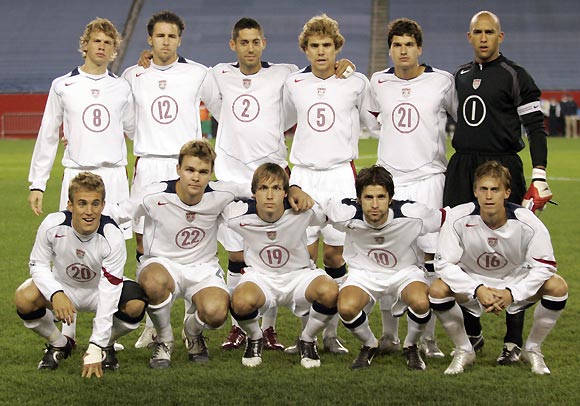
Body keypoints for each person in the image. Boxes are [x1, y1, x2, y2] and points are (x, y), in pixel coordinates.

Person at [199, 17, 356, 352]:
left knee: (278, 253)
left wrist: (344, 65)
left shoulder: (284, 74)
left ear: (264, 43)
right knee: (238, 255)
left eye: (256, 41)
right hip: (231, 176)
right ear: (233, 45)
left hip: (272, 177)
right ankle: (240, 328)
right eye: (244, 42)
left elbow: (300, 101)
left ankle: (269, 330)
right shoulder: (218, 74)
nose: (250, 48)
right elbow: (217, 108)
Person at [109, 140, 312, 368]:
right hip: (163, 264)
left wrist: (293, 188)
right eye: (190, 170)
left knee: (216, 314)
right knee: (153, 282)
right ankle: (164, 339)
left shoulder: (222, 193)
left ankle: (192, 332)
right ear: (178, 169)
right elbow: (116, 213)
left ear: (211, 173)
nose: (196, 177)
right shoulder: (153, 194)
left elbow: (262, 187)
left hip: (203, 268)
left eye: (203, 171)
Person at [442, 10, 553, 365]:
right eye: (478, 32)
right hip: (462, 166)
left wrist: (539, 174)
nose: (484, 38)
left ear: (500, 37)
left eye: (490, 32)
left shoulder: (515, 76)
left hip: (503, 164)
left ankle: (512, 341)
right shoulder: (459, 76)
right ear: (469, 36)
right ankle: (472, 333)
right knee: (462, 246)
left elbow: (536, 128)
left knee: (514, 251)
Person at [121, 10, 217, 348]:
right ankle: (154, 322)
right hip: (149, 166)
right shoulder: (134, 74)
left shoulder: (198, 73)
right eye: (159, 36)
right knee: (145, 246)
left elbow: (224, 107)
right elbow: (127, 121)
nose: (165, 41)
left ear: (180, 39)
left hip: (186, 169)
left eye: (171, 36)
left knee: (194, 241)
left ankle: (194, 320)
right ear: (149, 39)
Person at [282, 13, 377, 355]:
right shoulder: (293, 84)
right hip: (304, 175)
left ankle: (329, 334)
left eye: (327, 45)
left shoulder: (356, 82)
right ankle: (306, 334)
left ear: (337, 47)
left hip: (339, 175)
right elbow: (281, 122)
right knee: (304, 257)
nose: (321, 52)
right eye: (314, 46)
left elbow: (374, 120)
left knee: (335, 254)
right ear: (305, 50)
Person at [369, 18, 457, 358]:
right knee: (389, 259)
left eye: (409, 45)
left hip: (431, 179)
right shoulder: (379, 82)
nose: (402, 51)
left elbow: (460, 117)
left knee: (429, 260)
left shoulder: (442, 81)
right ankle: (389, 336)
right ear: (389, 49)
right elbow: (372, 116)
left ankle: (428, 337)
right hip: (391, 182)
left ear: (419, 48)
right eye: (396, 45)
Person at [431, 161, 567, 375]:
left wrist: (513, 293)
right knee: (437, 290)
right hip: (474, 280)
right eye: (483, 189)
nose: (488, 196)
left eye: (495, 189)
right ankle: (464, 349)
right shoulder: (458, 218)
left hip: (514, 280)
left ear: (507, 193)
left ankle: (532, 348)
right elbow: (444, 264)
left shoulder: (527, 221)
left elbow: (545, 266)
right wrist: (477, 288)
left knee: (558, 286)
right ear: (475, 191)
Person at [14, 172, 147, 378]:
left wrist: (97, 344)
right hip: (64, 288)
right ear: (70, 205)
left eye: (95, 204)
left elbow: (110, 289)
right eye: (82, 203)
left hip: (98, 290)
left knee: (136, 304)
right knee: (24, 297)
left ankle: (107, 346)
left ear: (103, 206)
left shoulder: (112, 235)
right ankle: (59, 344)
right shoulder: (52, 225)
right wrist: (55, 293)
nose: (89, 211)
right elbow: (38, 264)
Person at [325, 166, 445, 370]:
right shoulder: (346, 213)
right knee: (346, 307)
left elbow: (447, 218)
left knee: (421, 301)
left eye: (381, 197)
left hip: (404, 273)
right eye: (368, 197)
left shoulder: (410, 213)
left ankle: (411, 345)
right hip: (364, 274)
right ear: (358, 199)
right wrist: (296, 191)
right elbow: (314, 211)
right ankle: (369, 344)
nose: (374, 204)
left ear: (390, 198)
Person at [225, 163, 338, 368]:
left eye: (276, 188)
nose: (269, 195)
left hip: (298, 276)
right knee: (239, 301)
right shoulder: (237, 214)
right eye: (263, 188)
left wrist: (303, 194)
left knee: (330, 292)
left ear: (285, 193)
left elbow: (327, 216)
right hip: (260, 278)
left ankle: (307, 339)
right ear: (254, 193)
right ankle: (255, 336)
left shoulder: (301, 211)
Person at [28, 17, 133, 233]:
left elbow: (135, 130)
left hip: (113, 177)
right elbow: (47, 134)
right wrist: (38, 184)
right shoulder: (63, 85)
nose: (102, 46)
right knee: (72, 247)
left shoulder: (122, 87)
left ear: (114, 49)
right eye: (96, 41)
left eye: (107, 42)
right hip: (77, 175)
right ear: (85, 44)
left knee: (114, 249)